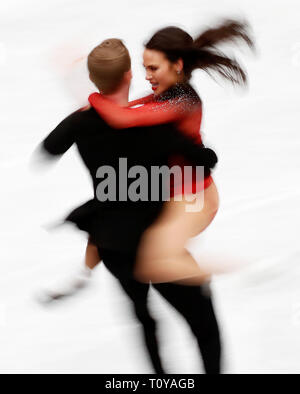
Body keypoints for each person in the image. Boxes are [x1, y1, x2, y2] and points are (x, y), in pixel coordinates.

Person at [39, 38, 221, 373]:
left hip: (112, 245)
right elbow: (206, 160)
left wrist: (82, 117)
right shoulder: (153, 125)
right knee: (205, 325)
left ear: (95, 80)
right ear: (128, 75)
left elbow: (48, 150)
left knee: (144, 318)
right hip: (156, 243)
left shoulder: (80, 121)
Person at [88, 19, 254, 285]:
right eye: (145, 68)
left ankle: (242, 271)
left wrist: (93, 100)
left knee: (154, 265)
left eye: (153, 68)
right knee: (141, 253)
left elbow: (124, 118)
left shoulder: (183, 101)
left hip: (194, 199)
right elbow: (130, 109)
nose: (147, 75)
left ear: (177, 65)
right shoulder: (166, 94)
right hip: (174, 194)